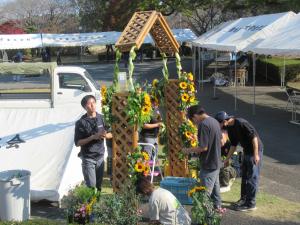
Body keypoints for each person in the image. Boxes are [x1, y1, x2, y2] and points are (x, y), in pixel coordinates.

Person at [214, 111, 263, 211]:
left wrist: (256, 154)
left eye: (219, 124)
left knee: (252, 177)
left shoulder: (241, 123)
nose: (220, 126)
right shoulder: (229, 128)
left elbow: (254, 137)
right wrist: (227, 159)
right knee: (244, 176)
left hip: (254, 151)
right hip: (246, 150)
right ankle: (244, 199)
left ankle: (251, 203)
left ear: (224, 121)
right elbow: (233, 145)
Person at [183, 105, 225, 213]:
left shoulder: (204, 124)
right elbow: (222, 141)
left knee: (204, 193)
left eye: (193, 120)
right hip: (216, 161)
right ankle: (217, 209)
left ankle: (204, 217)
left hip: (208, 163)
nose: (194, 123)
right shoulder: (214, 121)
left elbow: (203, 147)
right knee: (215, 190)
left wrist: (188, 150)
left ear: (196, 115)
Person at [74, 95, 112, 191]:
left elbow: (112, 133)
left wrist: (106, 135)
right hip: (88, 158)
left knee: (98, 186)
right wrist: (92, 137)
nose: (92, 105)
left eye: (94, 103)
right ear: (85, 107)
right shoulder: (81, 122)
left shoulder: (102, 118)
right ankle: (89, 205)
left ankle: (96, 205)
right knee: (91, 187)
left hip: (100, 156)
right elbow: (77, 142)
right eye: (89, 104)